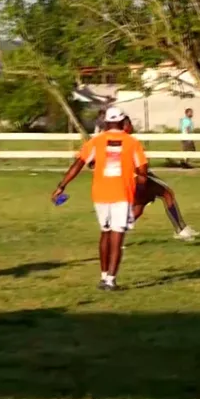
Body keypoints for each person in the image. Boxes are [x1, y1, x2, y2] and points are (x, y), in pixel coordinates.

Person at [51, 107, 148, 291]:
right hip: (122, 194)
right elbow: (142, 173)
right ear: (122, 122)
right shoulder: (132, 143)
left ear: (106, 123)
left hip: (100, 194)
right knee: (117, 236)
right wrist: (137, 181)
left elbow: (78, 164)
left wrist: (61, 186)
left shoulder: (96, 142)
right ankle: (111, 280)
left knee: (105, 232)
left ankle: (104, 275)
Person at [123, 116, 199, 241]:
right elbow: (138, 163)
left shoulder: (114, 141)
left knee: (139, 207)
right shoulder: (130, 142)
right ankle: (180, 230)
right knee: (167, 194)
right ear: (124, 125)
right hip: (139, 177)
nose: (132, 126)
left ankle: (117, 236)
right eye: (129, 124)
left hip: (126, 180)